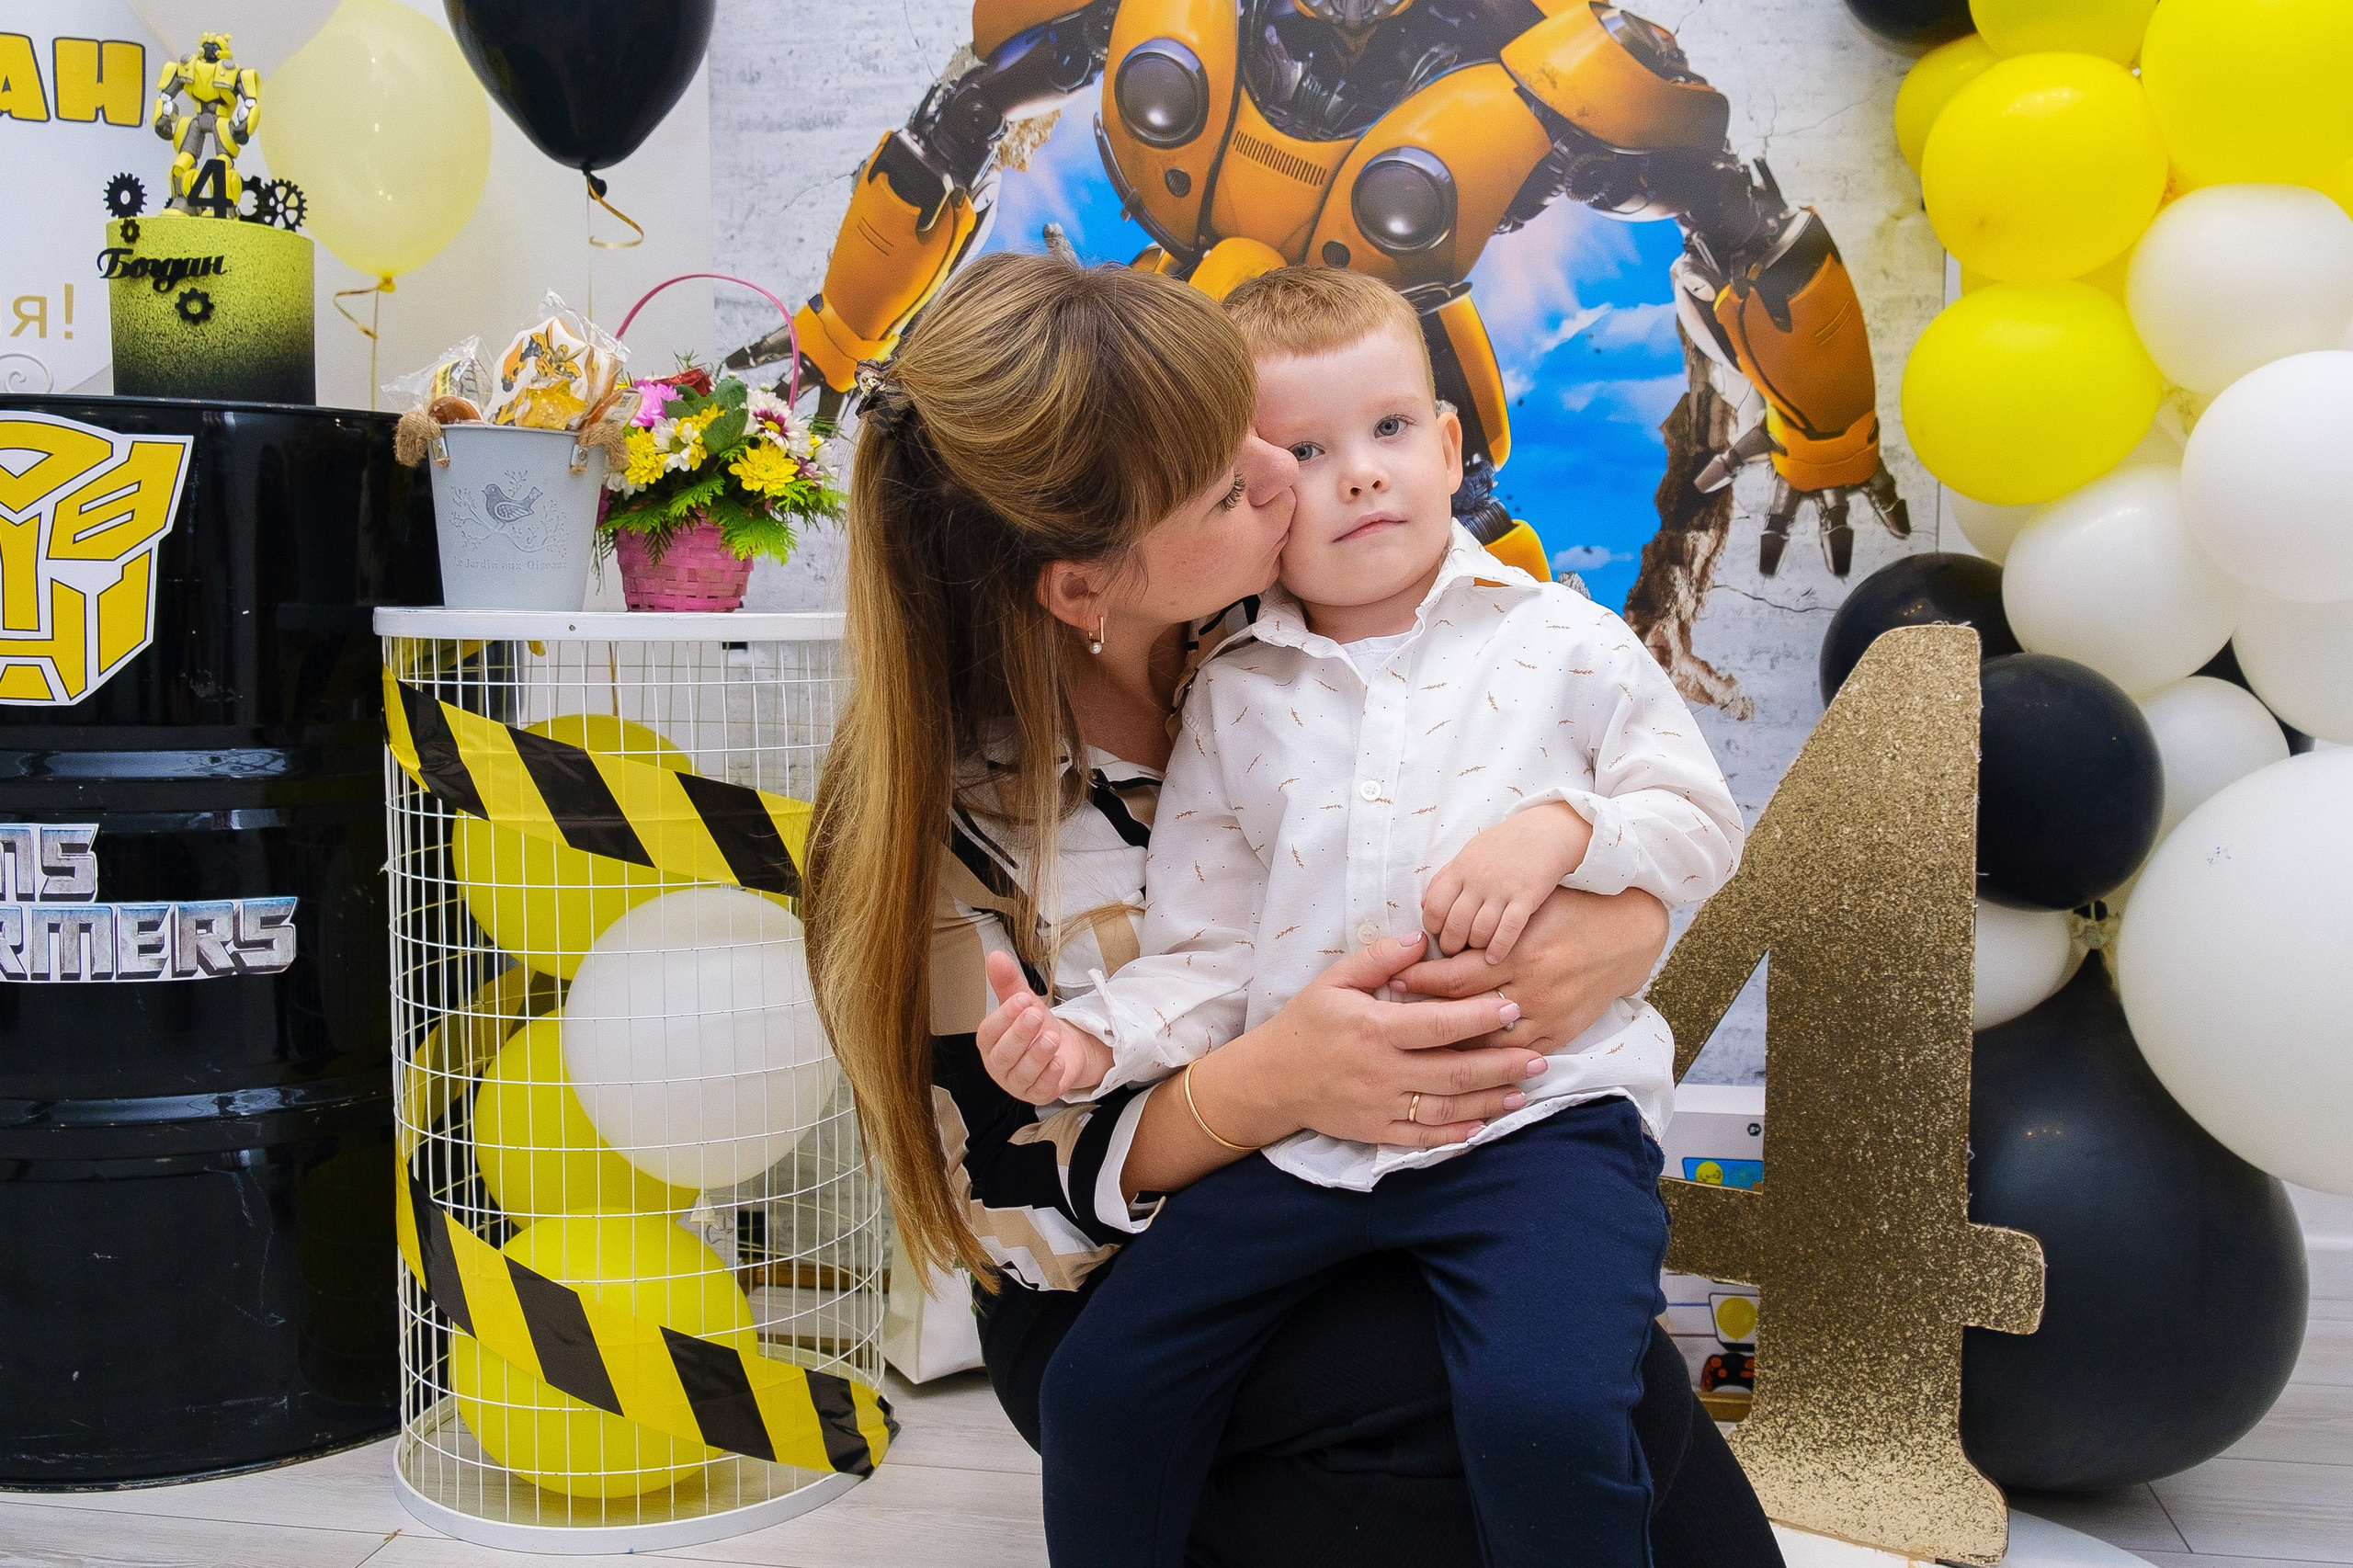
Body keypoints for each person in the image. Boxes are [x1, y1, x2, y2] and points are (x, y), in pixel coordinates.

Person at [804, 251, 1782, 1566]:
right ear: (1082, 587)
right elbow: (1033, 1187)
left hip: (1482, 1139)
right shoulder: (967, 813)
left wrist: (1608, 920)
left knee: (1563, 1381)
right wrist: (1264, 1076)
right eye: (1239, 473)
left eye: (1363, 435)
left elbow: (1655, 813)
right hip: (1134, 1252)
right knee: (1506, 1394)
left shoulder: (1387, 625)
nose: (1295, 475)